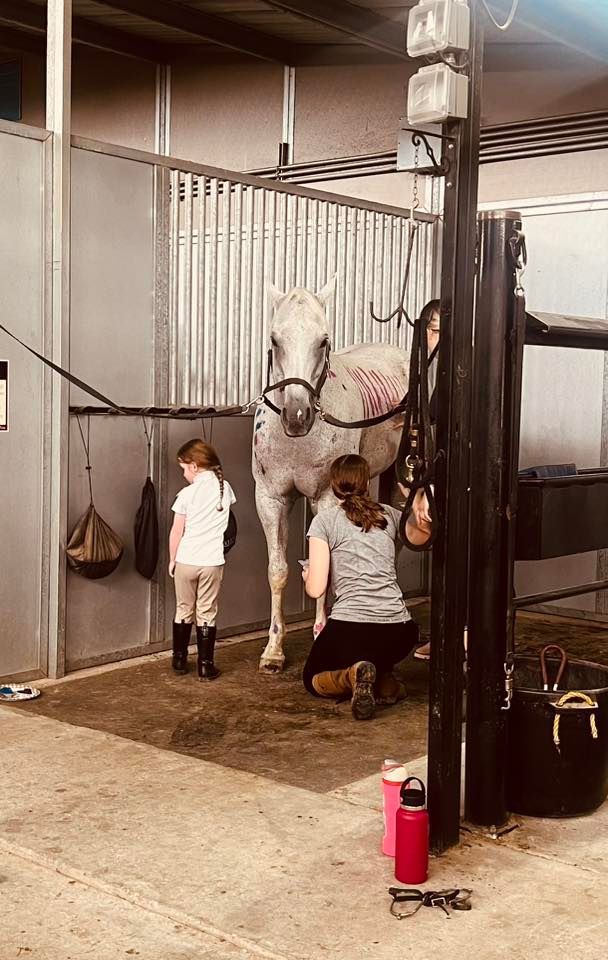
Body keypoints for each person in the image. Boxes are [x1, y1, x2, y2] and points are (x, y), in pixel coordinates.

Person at [301, 454, 432, 720]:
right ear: (367, 482)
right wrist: (419, 499)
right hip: (400, 632)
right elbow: (421, 537)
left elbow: (316, 589)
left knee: (311, 678)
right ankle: (383, 682)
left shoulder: (325, 522)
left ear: (333, 484)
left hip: (351, 629)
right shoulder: (389, 515)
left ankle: (352, 676)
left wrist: (307, 575)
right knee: (378, 661)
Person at [169, 439, 236, 680]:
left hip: (186, 559)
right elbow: (228, 521)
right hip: (212, 561)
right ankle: (206, 666)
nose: (184, 474)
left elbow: (177, 531)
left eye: (184, 469)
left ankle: (179, 660)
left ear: (195, 466)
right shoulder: (224, 489)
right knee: (207, 612)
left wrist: (172, 560)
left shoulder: (186, 494)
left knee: (183, 609)